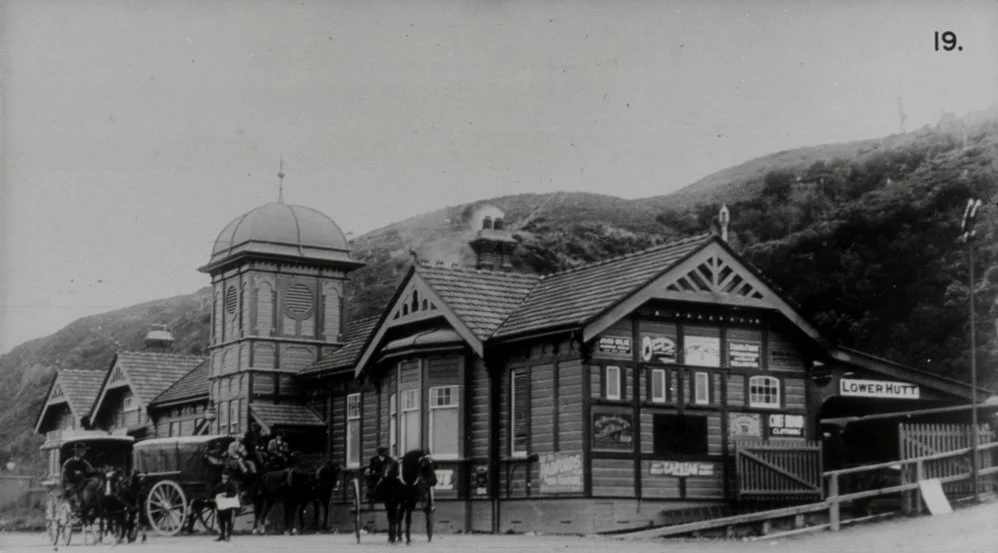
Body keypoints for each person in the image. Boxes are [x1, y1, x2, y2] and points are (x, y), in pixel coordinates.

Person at [61, 443, 97, 509]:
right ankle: (74, 505)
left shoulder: (84, 462)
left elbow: (89, 471)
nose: (84, 452)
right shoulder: (69, 462)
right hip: (72, 484)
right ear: (76, 451)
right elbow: (65, 475)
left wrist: (96, 472)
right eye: (82, 450)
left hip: (83, 484)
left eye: (84, 450)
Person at [212, 470, 239, 541]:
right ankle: (222, 535)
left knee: (228, 520)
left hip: (228, 505)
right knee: (221, 520)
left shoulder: (231, 485)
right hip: (220, 504)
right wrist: (214, 498)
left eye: (226, 475)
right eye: (224, 475)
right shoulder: (218, 484)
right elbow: (214, 492)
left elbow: (234, 494)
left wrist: (226, 494)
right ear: (222, 476)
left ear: (228, 476)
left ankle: (228, 535)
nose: (225, 476)